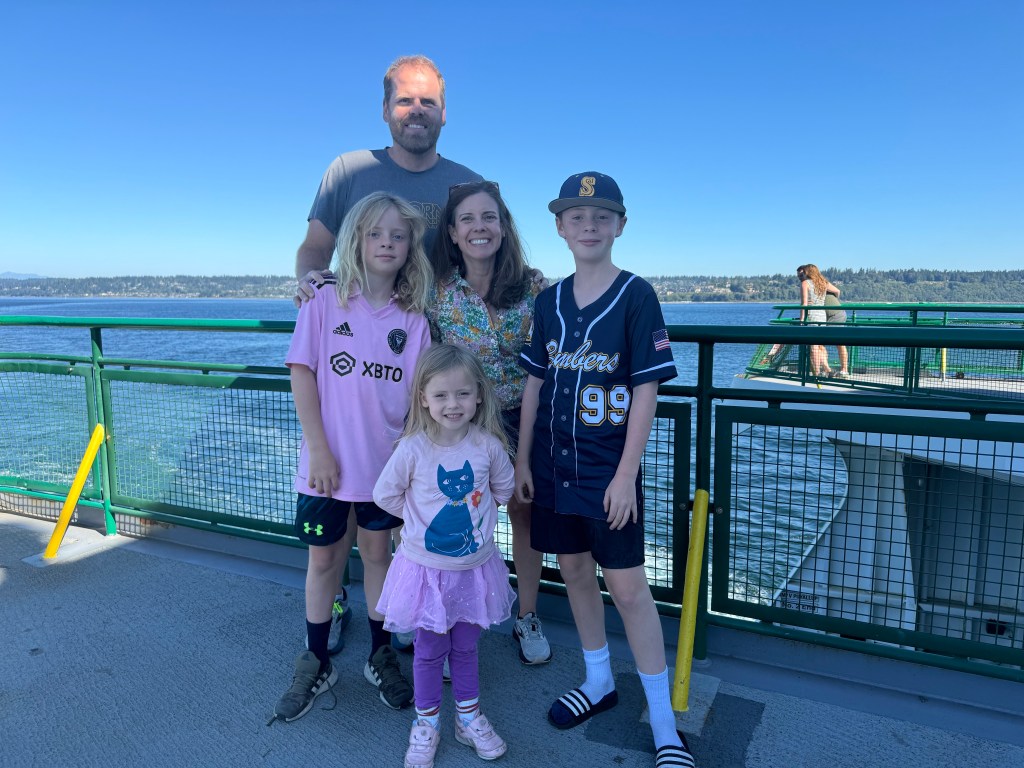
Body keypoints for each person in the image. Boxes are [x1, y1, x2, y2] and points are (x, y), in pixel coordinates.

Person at [293, 54, 482, 653]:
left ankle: (402, 619)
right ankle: (339, 614)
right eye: (405, 100)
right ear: (385, 109)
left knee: (404, 518)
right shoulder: (348, 169)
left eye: (428, 101)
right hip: (360, 340)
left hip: (428, 365)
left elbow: (486, 248)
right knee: (333, 548)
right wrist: (312, 286)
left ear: (444, 112)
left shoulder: (465, 183)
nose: (416, 110)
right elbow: (315, 248)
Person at [515, 173, 695, 768]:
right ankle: (598, 680)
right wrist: (522, 458)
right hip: (552, 463)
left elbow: (646, 391)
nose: (588, 226)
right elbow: (534, 384)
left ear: (620, 225)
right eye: (576, 217)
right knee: (572, 568)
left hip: (607, 470)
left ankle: (663, 722)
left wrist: (626, 475)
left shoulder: (637, 296)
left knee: (628, 588)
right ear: (560, 228)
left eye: (601, 216)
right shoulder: (548, 302)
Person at [273, 192, 432, 724]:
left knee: (380, 557)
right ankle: (316, 660)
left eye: (398, 235)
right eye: (375, 233)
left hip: (384, 472)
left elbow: (417, 403)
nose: (387, 243)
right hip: (325, 468)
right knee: (324, 561)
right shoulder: (324, 300)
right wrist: (318, 448)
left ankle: (379, 654)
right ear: (356, 241)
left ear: (410, 247)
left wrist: (410, 468)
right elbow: (302, 374)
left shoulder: (413, 320)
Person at [427, 180, 552, 665]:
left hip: (524, 418)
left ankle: (527, 615)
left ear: (503, 226)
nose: (479, 227)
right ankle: (451, 618)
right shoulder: (436, 293)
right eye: (467, 219)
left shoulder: (535, 287)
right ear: (452, 233)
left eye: (488, 217)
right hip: (464, 422)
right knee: (462, 516)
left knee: (524, 511)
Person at [373, 344, 516, 767]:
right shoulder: (412, 449)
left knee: (467, 649)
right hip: (426, 573)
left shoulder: (488, 446)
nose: (453, 404)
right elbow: (384, 494)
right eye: (441, 395)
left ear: (478, 396)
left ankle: (468, 718)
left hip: (474, 571)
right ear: (423, 398)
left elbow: (504, 489)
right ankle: (427, 723)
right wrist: (418, 523)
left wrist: (478, 517)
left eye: (462, 394)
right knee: (430, 650)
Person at [798, 264, 842, 378]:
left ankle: (816, 373)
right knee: (820, 345)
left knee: (813, 347)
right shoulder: (823, 283)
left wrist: (802, 320)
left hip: (812, 315)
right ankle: (826, 370)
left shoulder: (805, 284)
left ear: (807, 272)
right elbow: (837, 291)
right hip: (822, 315)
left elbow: (804, 304)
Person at [824, 288, 850, 378]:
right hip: (832, 314)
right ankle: (830, 369)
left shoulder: (823, 283)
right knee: (837, 343)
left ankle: (842, 369)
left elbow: (837, 291)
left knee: (821, 343)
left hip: (835, 314)